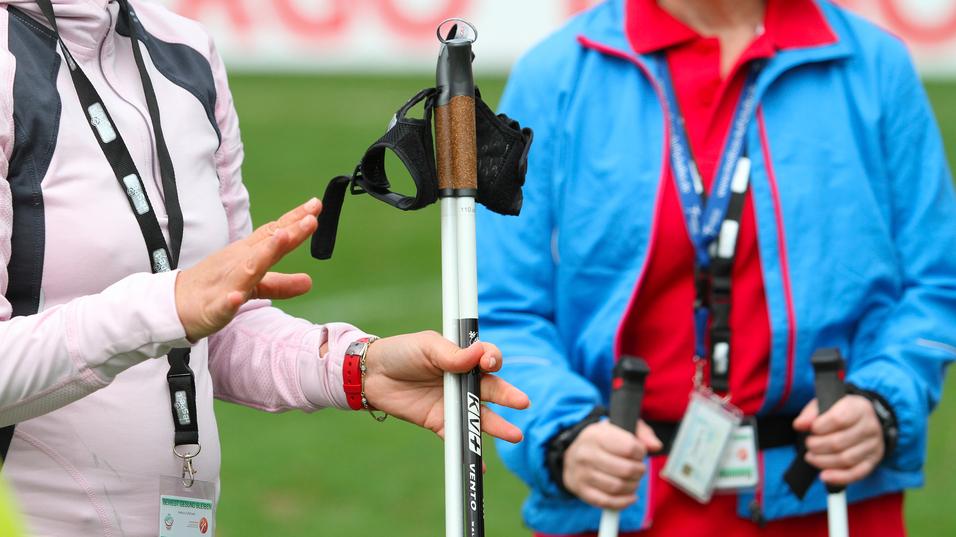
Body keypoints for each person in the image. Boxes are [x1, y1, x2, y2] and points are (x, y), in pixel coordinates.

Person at [0, 0, 529, 535]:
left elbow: (218, 324)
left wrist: (359, 367)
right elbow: (178, 310)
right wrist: (168, 305)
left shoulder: (187, 50)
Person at [477, 0, 956, 535]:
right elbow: (503, 310)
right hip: (617, 499)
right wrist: (564, 432)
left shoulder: (874, 65)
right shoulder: (556, 75)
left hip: (830, 493)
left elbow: (935, 282)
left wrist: (883, 401)